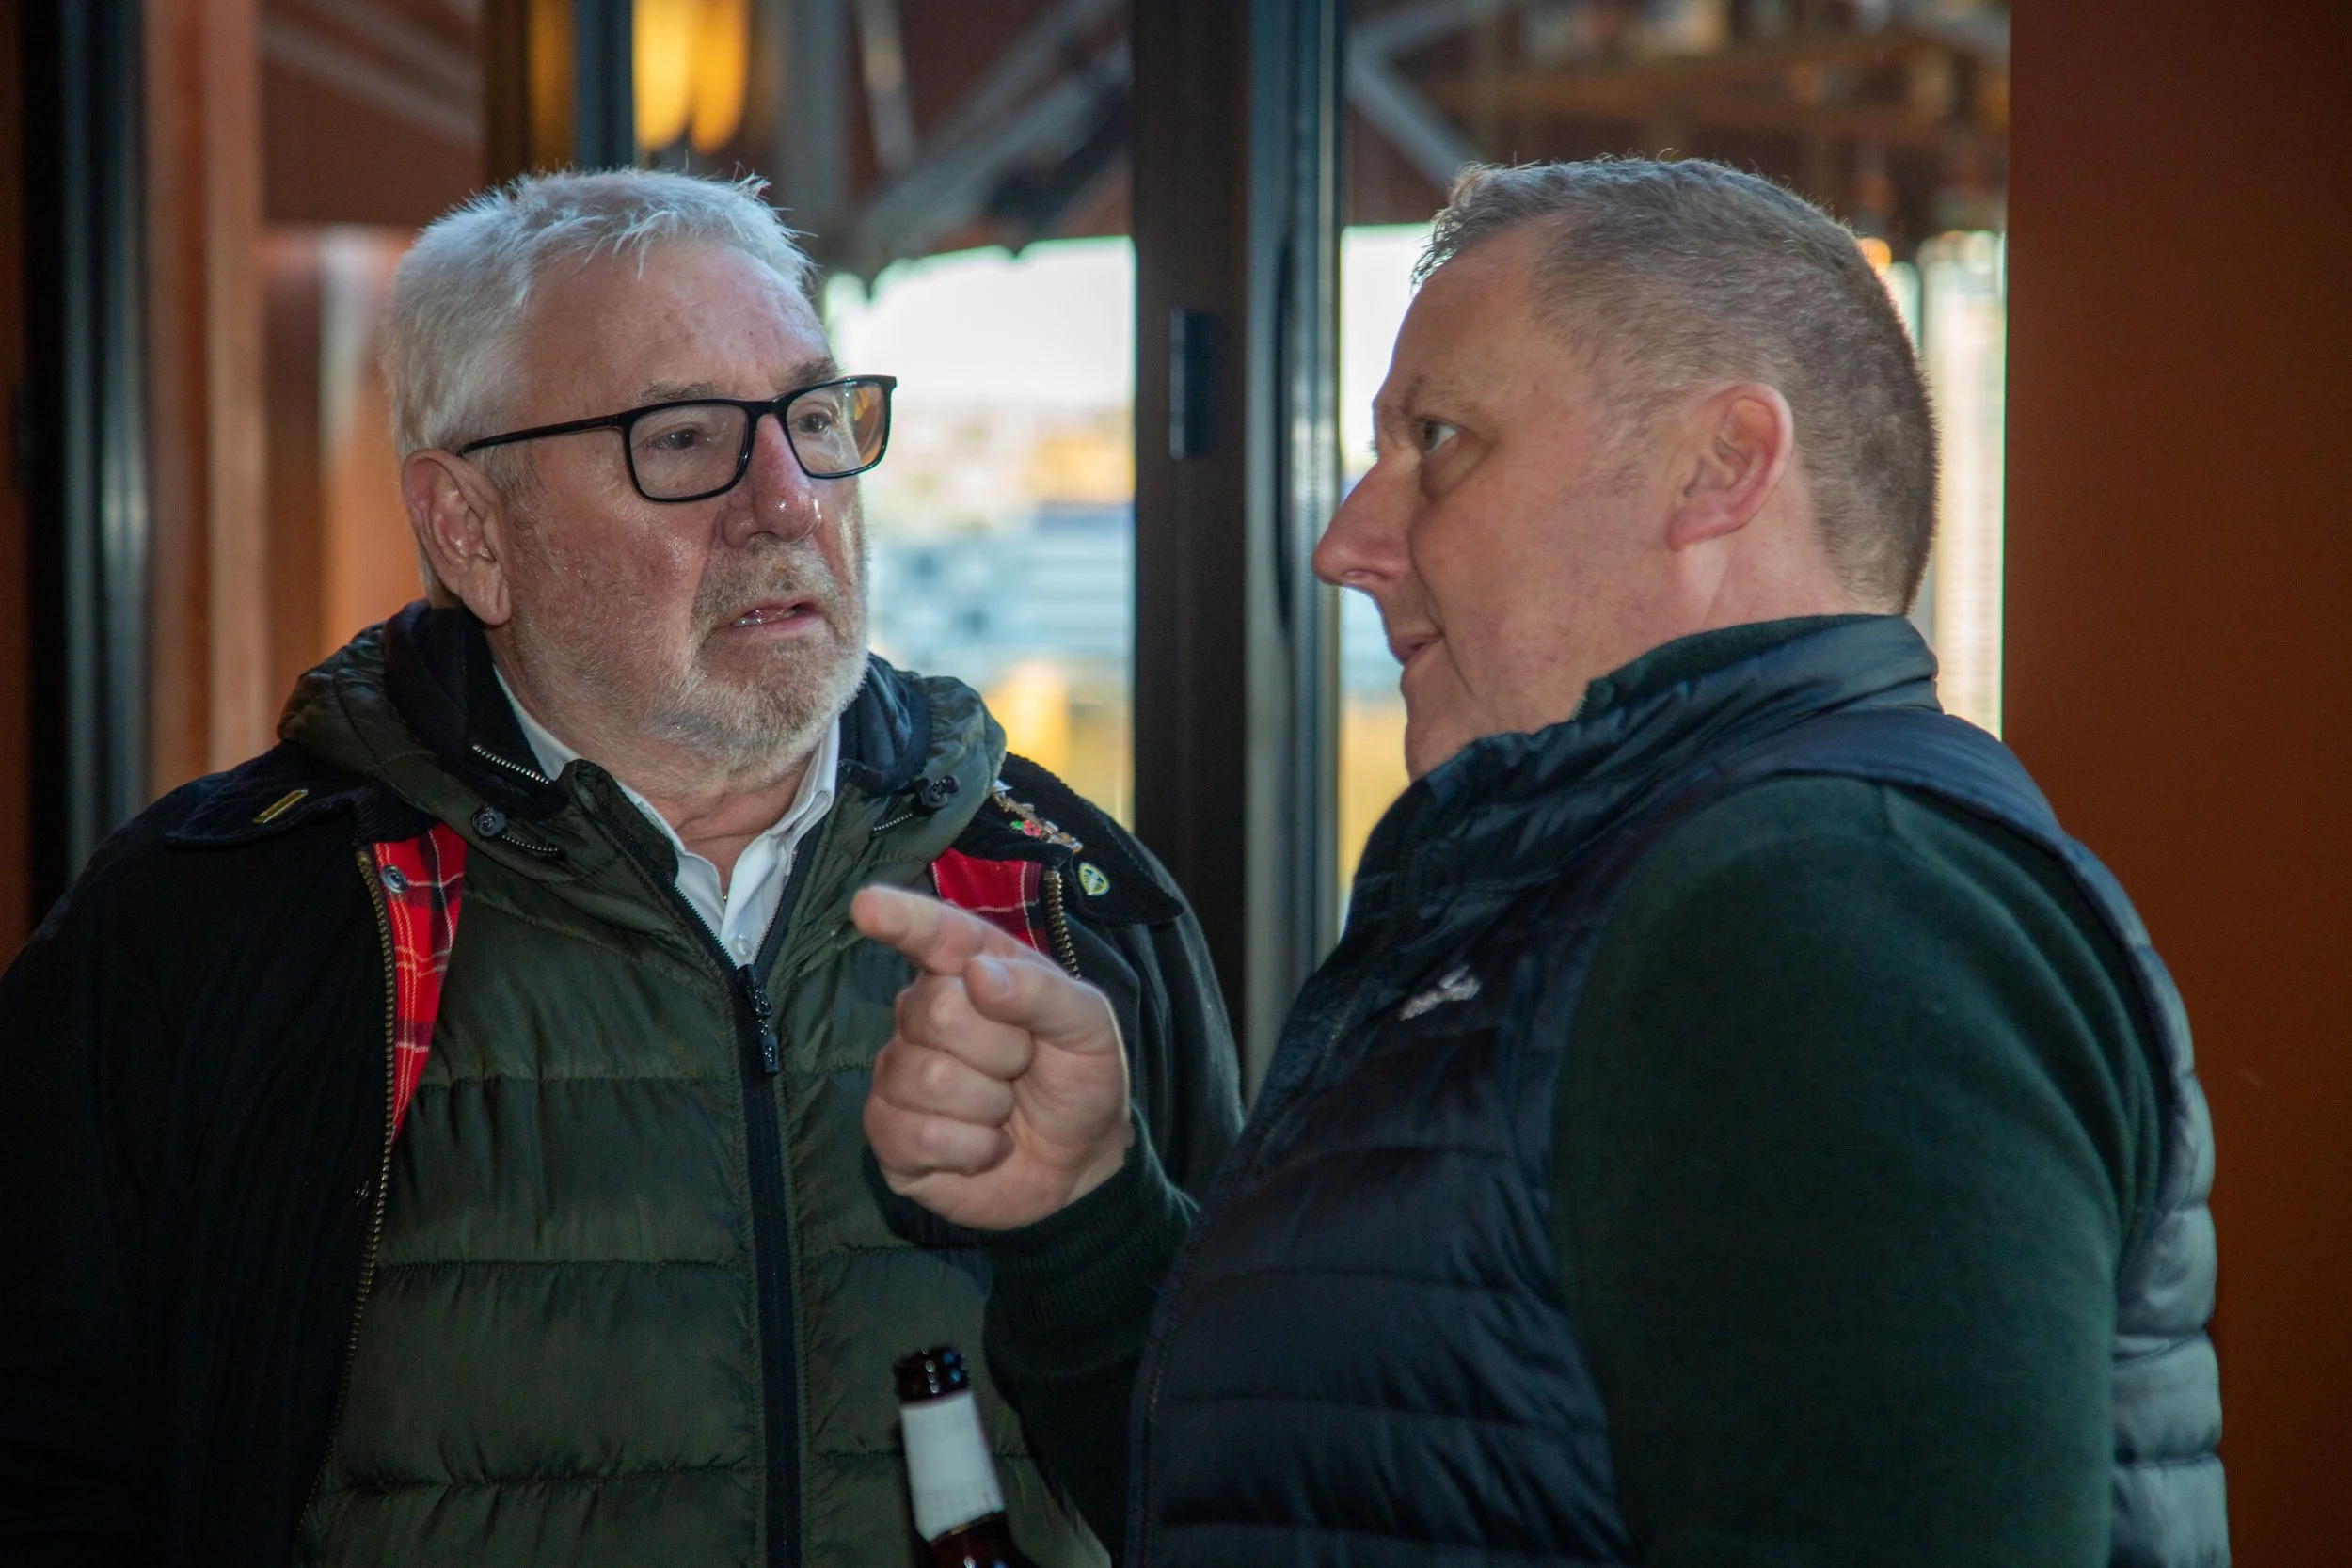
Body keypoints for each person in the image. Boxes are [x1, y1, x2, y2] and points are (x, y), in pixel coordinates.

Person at [852, 159, 2226, 1567]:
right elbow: (1316, 1501)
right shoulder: (1606, 892)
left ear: (1721, 469)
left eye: (1439, 439)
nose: (1345, 544)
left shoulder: (1824, 904)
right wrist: (1081, 1208)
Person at [0, 170, 1241, 1567]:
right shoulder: (221, 925)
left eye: (816, 418)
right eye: (685, 437)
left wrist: (1100, 1226)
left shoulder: (1070, 903)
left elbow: (1261, 1483)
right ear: (474, 529)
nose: (787, 501)